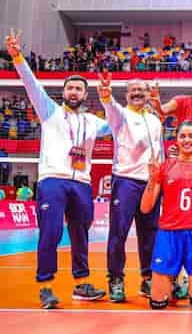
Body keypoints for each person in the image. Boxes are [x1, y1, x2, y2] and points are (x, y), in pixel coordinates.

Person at [5, 28, 109, 309]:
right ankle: (46, 287)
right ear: (63, 92)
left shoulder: (93, 121)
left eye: (78, 88)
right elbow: (31, 84)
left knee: (80, 235)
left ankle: (81, 285)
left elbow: (118, 124)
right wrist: (17, 57)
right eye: (69, 88)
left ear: (86, 94)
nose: (73, 91)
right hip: (53, 180)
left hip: (82, 183)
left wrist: (114, 100)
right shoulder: (49, 111)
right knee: (50, 233)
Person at [140, 121, 192, 310]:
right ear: (176, 140)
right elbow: (145, 207)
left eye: (191, 136)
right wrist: (152, 179)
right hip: (169, 232)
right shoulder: (165, 167)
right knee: (158, 302)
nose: (187, 140)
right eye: (182, 136)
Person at [97, 73, 163, 302]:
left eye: (141, 90)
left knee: (150, 234)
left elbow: (158, 151)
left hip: (151, 183)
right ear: (126, 95)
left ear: (148, 94)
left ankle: (148, 279)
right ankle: (115, 279)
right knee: (118, 233)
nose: (137, 93)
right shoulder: (121, 116)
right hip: (126, 181)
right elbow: (111, 107)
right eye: (133, 90)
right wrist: (106, 95)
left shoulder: (154, 120)